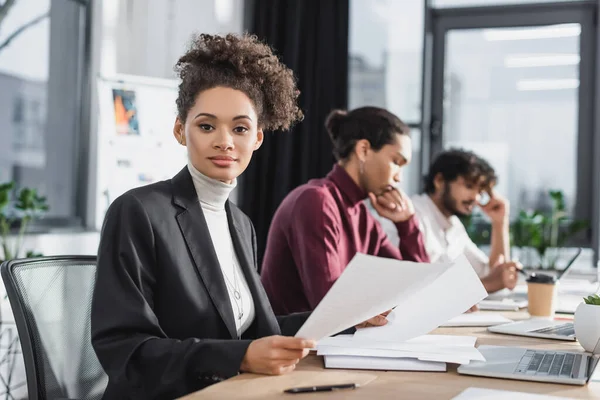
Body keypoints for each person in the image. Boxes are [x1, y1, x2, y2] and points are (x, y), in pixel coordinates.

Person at [91, 34, 387, 400]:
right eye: (206, 126)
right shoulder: (139, 211)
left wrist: (344, 320)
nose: (225, 141)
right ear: (180, 131)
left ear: (258, 138)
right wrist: (240, 357)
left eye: (240, 128)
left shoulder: (241, 224)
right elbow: (124, 350)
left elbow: (252, 327)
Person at [260, 107, 430, 315]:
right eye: (396, 162)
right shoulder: (316, 202)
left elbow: (416, 286)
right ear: (364, 150)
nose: (399, 178)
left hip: (333, 340)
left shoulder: (363, 217)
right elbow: (330, 307)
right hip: (298, 344)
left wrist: (407, 223)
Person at [412, 149, 521, 294]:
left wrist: (500, 222)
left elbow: (489, 273)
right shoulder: (413, 215)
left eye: (480, 192)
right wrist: (487, 284)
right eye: (469, 186)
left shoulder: (453, 224)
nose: (476, 198)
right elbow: (422, 290)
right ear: (439, 181)